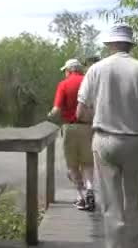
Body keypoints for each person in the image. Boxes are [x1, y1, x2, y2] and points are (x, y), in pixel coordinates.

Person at [76, 25, 138, 248]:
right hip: (135, 141)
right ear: (130, 45)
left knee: (111, 204)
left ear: (109, 44)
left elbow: (80, 113)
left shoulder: (96, 69)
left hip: (104, 140)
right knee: (133, 200)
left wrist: (102, 112)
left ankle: (113, 245)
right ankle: (131, 244)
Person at [47, 58, 96, 211]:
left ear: (68, 71)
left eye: (65, 72)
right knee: (88, 163)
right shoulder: (90, 83)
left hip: (71, 128)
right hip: (89, 127)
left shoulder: (64, 84)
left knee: (72, 165)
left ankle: (81, 197)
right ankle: (90, 189)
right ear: (80, 70)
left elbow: (56, 110)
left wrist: (48, 116)